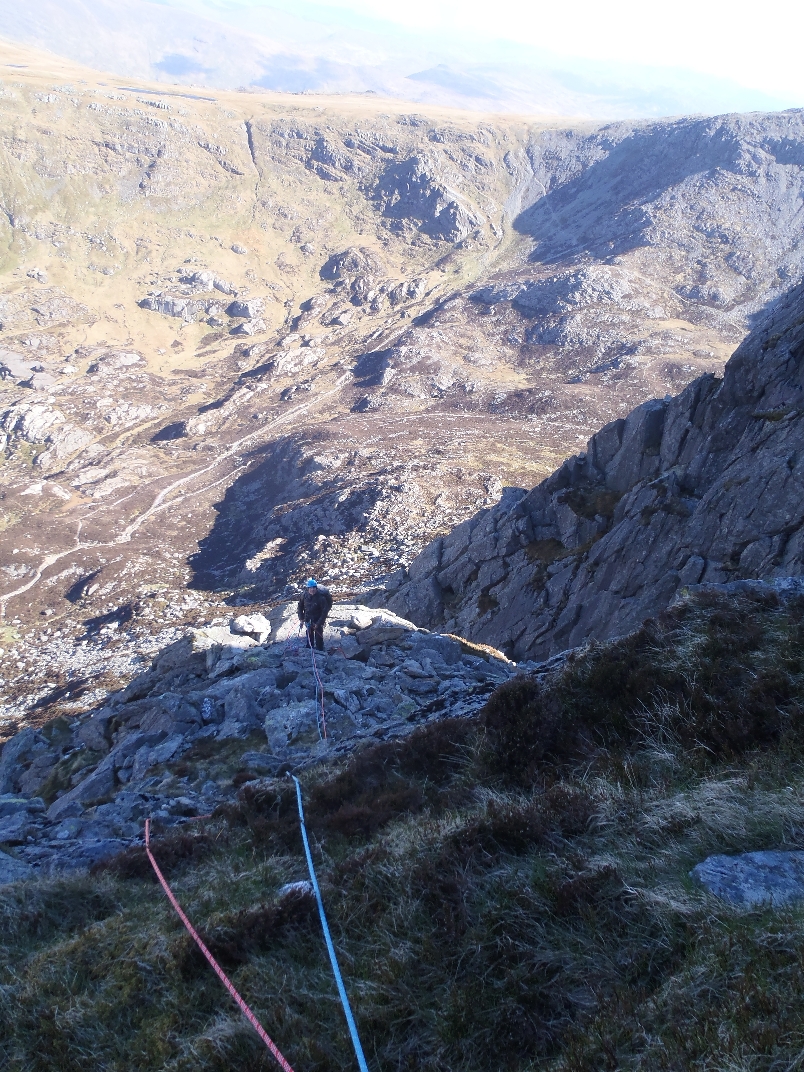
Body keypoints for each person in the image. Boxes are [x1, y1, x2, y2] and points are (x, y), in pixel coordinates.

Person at [297, 578, 333, 652]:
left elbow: (324, 612)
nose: (312, 589)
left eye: (314, 588)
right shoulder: (304, 596)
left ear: (316, 588)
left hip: (318, 619)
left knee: (318, 636)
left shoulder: (321, 598)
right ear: (308, 588)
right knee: (309, 634)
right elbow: (300, 606)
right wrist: (301, 618)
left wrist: (319, 623)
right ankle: (309, 648)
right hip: (308, 618)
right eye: (310, 588)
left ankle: (320, 649)